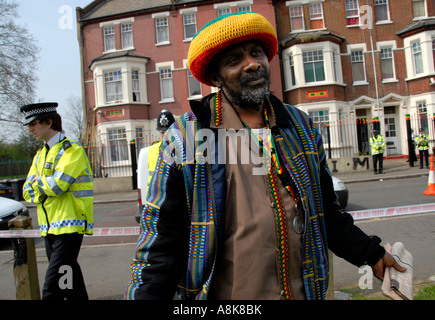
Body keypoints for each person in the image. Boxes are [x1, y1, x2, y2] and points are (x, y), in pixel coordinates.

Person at [125, 12, 405, 300]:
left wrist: (371, 253)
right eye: (234, 60)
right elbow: (161, 241)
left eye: (256, 52)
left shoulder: (301, 128)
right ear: (215, 76)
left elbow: (326, 213)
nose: (251, 64)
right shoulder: (186, 138)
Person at [21, 102, 94, 300]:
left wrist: (38, 182)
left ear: (49, 122)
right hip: (49, 228)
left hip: (69, 227)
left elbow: (57, 186)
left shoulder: (72, 150)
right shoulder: (40, 155)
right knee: (69, 282)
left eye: (34, 123)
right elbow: (26, 192)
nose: (30, 129)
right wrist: (41, 185)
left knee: (51, 289)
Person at [146, 110, 175, 188]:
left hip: (173, 196)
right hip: (155, 195)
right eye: (162, 132)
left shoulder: (181, 149)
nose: (165, 135)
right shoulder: (152, 150)